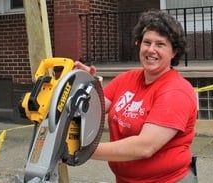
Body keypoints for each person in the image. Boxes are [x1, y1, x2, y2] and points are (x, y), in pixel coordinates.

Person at [74, 10, 198, 183]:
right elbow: (94, 109)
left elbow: (144, 147)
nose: (151, 49)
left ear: (174, 52)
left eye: (160, 44)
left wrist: (79, 151)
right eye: (146, 42)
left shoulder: (176, 91)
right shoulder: (126, 79)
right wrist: (84, 85)